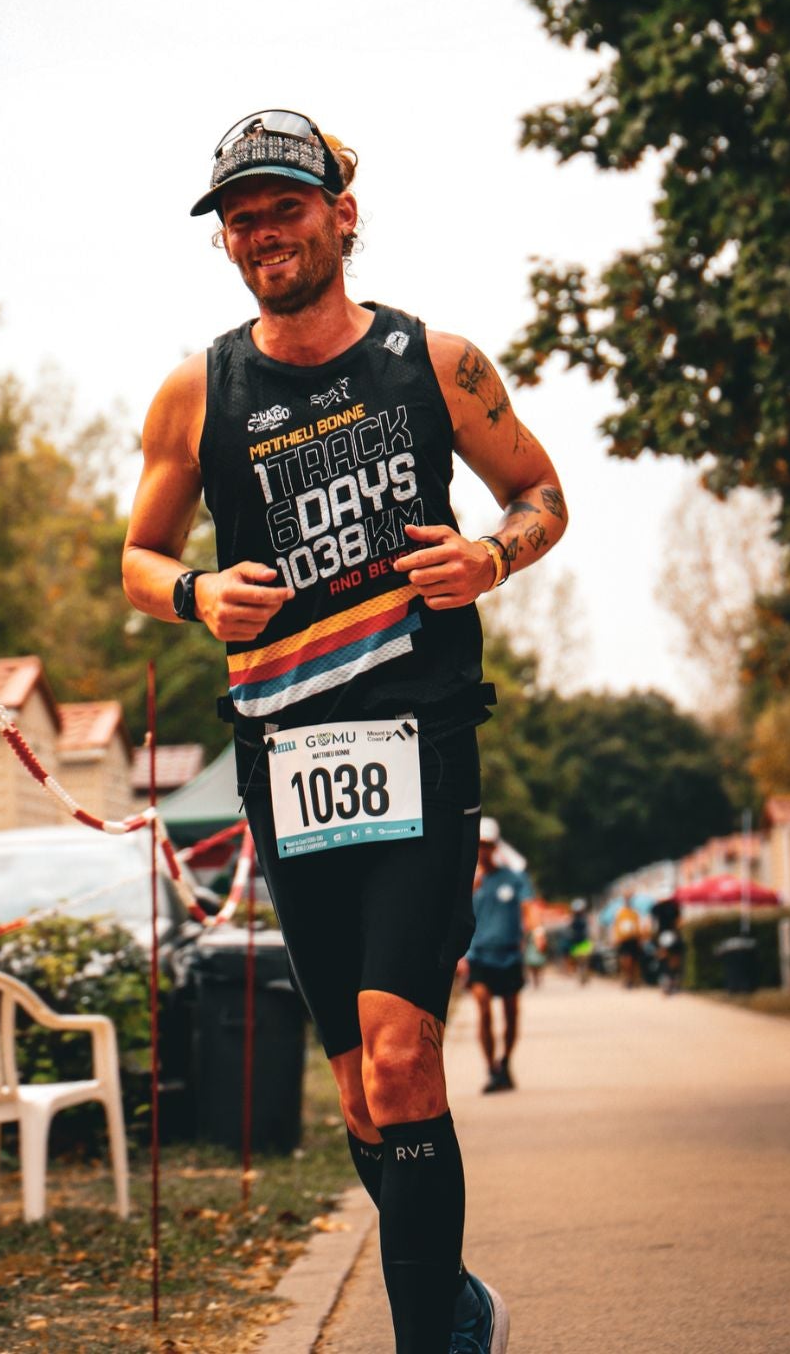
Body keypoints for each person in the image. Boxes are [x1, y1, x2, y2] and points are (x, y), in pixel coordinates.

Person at [122, 109, 569, 1354]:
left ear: (341, 214)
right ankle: (454, 1294)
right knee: (361, 1097)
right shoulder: (196, 390)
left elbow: (542, 496)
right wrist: (199, 595)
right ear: (227, 244)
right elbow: (137, 557)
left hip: (422, 739)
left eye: (285, 206)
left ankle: (429, 1335)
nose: (263, 232)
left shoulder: (435, 365)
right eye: (241, 218)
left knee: (399, 1057)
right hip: (286, 760)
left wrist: (487, 554)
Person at [461, 817, 525, 1093]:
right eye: (479, 845)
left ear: (496, 847)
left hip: (509, 955)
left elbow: (529, 907)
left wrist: (538, 933)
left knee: (510, 1014)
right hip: (479, 956)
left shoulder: (513, 879)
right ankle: (491, 1068)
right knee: (483, 1007)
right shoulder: (467, 882)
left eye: (488, 845)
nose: (483, 850)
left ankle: (506, 1061)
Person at [612, 891, 644, 990]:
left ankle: (633, 979)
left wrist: (639, 938)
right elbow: (616, 926)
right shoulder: (620, 912)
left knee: (634, 961)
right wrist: (616, 937)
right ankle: (627, 978)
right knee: (625, 961)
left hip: (633, 938)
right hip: (623, 939)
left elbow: (638, 925)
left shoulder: (635, 912)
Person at [566, 898, 593, 983]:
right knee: (579, 960)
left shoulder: (585, 917)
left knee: (585, 960)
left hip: (584, 941)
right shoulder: (573, 918)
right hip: (576, 942)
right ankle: (582, 975)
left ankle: (585, 975)